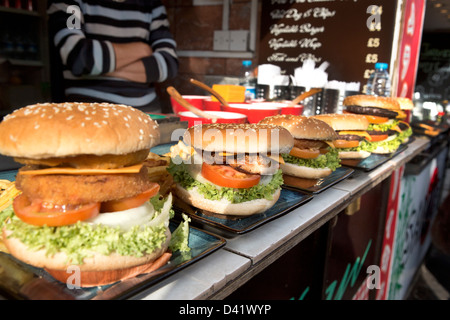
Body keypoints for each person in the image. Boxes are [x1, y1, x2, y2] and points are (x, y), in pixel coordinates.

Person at [47, 0, 178, 112]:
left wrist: (97, 67)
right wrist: (142, 50)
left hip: (147, 114)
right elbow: (77, 56)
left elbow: (169, 64)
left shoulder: (151, 4)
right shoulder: (72, 4)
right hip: (89, 114)